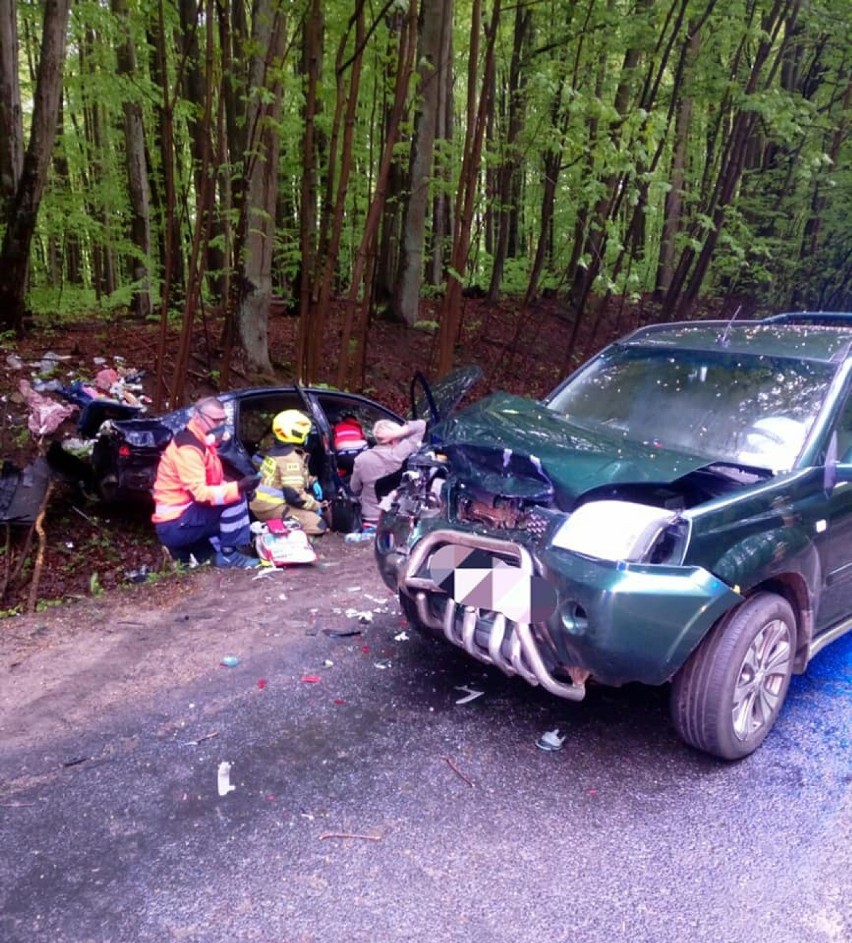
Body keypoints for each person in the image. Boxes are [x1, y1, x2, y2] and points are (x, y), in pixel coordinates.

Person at [152, 396, 261, 567]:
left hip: (182, 517)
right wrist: (238, 488)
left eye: (223, 420)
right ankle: (229, 556)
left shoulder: (201, 443)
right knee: (236, 498)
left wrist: (239, 485)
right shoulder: (189, 448)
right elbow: (201, 495)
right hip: (176, 522)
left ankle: (210, 555)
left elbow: (211, 481)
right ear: (197, 417)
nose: (220, 425)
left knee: (209, 561)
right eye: (215, 420)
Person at [250, 409, 328, 536]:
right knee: (318, 525)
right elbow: (294, 496)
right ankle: (281, 536)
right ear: (297, 434)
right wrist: (317, 506)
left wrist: (311, 480)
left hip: (261, 505)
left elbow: (289, 477)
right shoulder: (290, 459)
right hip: (272, 508)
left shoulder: (275, 451)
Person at [350, 418, 426, 526]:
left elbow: (354, 488)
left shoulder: (360, 459)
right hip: (397, 517)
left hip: (370, 518)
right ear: (394, 438)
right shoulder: (400, 453)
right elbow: (421, 425)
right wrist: (398, 433)